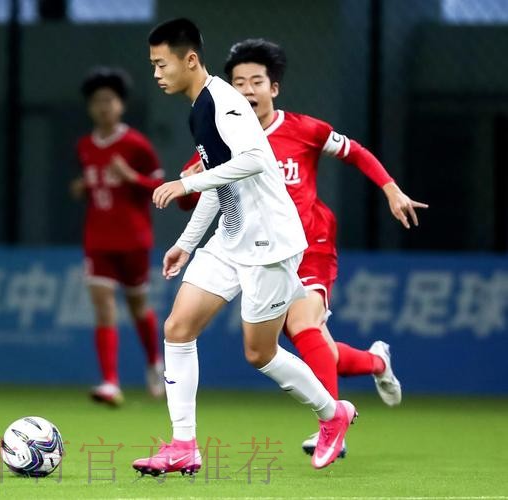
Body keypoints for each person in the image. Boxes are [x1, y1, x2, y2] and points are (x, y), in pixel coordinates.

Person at [177, 38, 428, 456]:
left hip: (311, 243)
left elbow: (354, 152)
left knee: (304, 325)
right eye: (238, 82)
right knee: (315, 346)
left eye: (257, 81)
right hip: (258, 250)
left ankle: (329, 423)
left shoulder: (305, 130)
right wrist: (190, 181)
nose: (247, 90)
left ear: (273, 88)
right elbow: (193, 197)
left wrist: (390, 189)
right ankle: (376, 362)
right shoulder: (219, 138)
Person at [132, 18, 356, 475]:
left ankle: (332, 414)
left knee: (259, 353)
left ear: (189, 60)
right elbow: (222, 186)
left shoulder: (225, 103)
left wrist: (184, 183)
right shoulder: (199, 108)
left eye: (161, 64)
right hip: (231, 239)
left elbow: (253, 161)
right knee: (177, 328)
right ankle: (184, 445)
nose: (155, 74)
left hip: (269, 244)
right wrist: (186, 243)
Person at [70, 67, 165, 407]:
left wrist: (131, 177)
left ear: (121, 105)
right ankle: (110, 382)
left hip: (134, 239)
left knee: (138, 305)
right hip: (98, 239)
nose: (103, 107)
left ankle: (154, 363)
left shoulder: (136, 144)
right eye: (97, 101)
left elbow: (161, 187)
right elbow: (94, 184)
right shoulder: (84, 145)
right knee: (103, 304)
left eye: (109, 100)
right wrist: (82, 187)